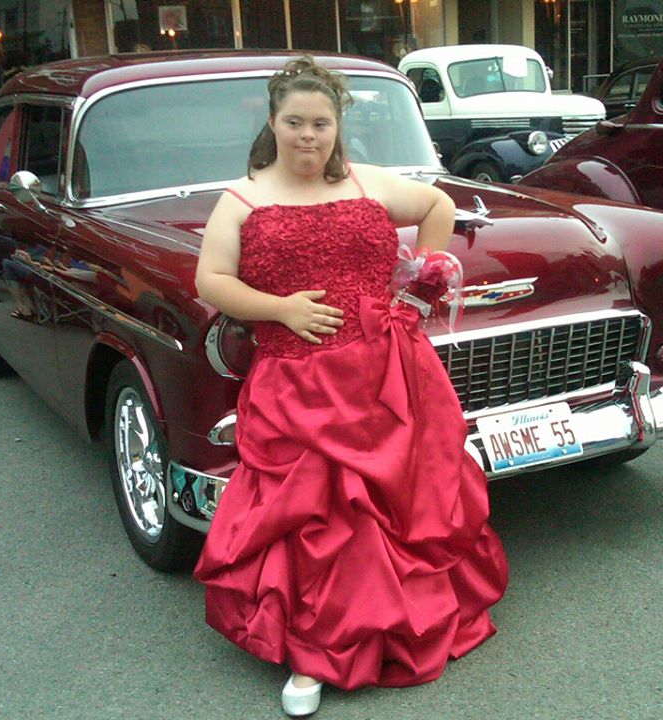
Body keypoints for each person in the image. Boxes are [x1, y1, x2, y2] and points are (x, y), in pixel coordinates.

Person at [193, 56, 508, 717]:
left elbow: (439, 204)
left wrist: (420, 285)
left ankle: (401, 623)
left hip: (386, 370)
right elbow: (211, 281)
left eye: (320, 123)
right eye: (294, 122)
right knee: (317, 520)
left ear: (337, 126)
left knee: (396, 506)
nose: (307, 135)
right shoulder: (243, 198)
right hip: (298, 384)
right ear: (273, 122)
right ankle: (312, 657)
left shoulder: (366, 181)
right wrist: (280, 309)